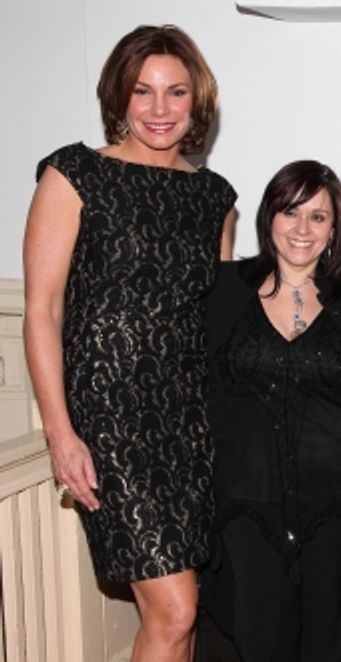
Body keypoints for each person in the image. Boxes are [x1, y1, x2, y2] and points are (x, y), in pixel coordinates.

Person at [23, 25, 235, 662]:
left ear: (197, 101)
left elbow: (219, 320)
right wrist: (62, 435)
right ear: (119, 95)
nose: (160, 109)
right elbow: (41, 310)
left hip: (191, 423)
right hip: (110, 421)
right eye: (143, 91)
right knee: (176, 610)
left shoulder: (213, 197)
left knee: (182, 619)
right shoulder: (74, 174)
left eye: (176, 92)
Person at [202, 161, 341, 661]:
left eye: (318, 218)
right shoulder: (223, 289)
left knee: (329, 649)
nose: (301, 229)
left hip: (337, 506)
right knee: (261, 644)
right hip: (247, 505)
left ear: (335, 230)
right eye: (290, 211)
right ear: (268, 215)